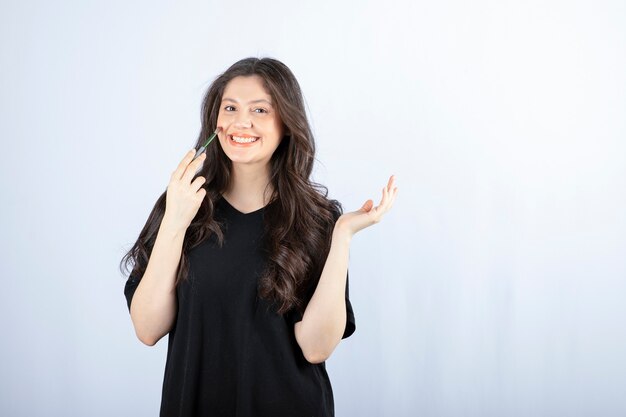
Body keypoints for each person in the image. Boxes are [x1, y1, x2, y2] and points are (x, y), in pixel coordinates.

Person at [120, 57, 398, 417]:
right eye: (230, 108)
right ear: (214, 122)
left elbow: (315, 348)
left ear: (286, 123)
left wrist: (342, 236)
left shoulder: (318, 219)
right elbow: (147, 328)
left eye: (260, 110)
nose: (241, 122)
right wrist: (175, 219)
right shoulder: (182, 205)